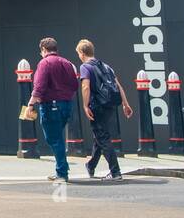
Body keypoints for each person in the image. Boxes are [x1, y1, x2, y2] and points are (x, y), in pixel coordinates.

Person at [75, 39, 133, 181]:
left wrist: (85, 105)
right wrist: (126, 104)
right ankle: (91, 165)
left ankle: (115, 172)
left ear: (82, 53)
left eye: (78, 53)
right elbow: (118, 86)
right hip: (110, 105)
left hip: (97, 106)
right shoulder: (107, 66)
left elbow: (86, 87)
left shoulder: (85, 67)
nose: (79, 56)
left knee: (103, 138)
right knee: (100, 136)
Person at [28, 36, 78, 181]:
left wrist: (31, 104)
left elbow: (39, 87)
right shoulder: (67, 63)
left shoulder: (44, 63)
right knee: (58, 137)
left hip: (51, 105)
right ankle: (62, 168)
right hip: (67, 105)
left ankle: (62, 172)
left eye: (41, 51)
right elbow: (75, 85)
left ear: (44, 49)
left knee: (54, 139)